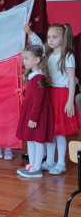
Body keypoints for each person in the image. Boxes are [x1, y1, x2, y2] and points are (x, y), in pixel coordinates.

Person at [29, 23, 80, 174]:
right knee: (50, 131)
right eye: (49, 37)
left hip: (62, 95)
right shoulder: (49, 55)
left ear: (63, 38)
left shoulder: (68, 56)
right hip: (50, 94)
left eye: (54, 37)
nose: (50, 40)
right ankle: (50, 161)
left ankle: (61, 163)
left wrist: (70, 101)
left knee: (59, 133)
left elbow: (71, 80)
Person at [16, 45, 54, 178]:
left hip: (37, 114)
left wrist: (33, 118)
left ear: (37, 60)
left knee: (38, 140)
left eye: (26, 58)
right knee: (30, 139)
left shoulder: (39, 77)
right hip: (31, 112)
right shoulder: (33, 76)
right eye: (23, 58)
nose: (24, 61)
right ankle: (32, 165)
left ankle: (37, 167)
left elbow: (38, 101)